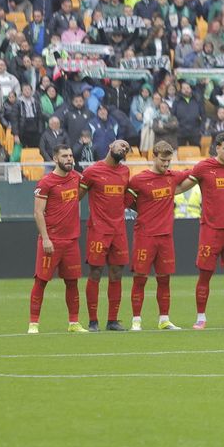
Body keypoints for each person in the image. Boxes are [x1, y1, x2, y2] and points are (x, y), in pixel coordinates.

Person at [177, 133, 224, 330]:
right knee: (205, 275)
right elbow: (181, 187)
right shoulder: (203, 167)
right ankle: (201, 318)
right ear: (217, 148)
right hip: (210, 230)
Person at [124, 142, 183, 331]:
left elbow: (194, 175)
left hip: (165, 237)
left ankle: (164, 319)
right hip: (145, 236)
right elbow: (127, 201)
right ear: (154, 157)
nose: (166, 164)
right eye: (163, 160)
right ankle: (136, 321)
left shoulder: (172, 177)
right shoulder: (138, 180)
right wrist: (143, 209)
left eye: (169, 161)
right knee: (140, 278)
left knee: (164, 279)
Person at [29, 147, 86, 334]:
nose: (69, 159)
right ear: (55, 158)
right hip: (51, 241)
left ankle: (74, 323)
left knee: (72, 282)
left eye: (71, 156)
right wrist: (45, 238)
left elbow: (85, 191)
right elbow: (38, 212)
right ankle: (33, 324)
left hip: (71, 242)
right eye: (65, 156)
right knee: (41, 282)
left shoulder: (77, 177)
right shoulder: (46, 183)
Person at [80, 138, 133, 331]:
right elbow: (76, 197)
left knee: (117, 273)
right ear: (110, 146)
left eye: (126, 148)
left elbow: (126, 197)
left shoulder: (125, 172)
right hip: (98, 231)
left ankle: (112, 320)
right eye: (121, 145)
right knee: (95, 272)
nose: (124, 148)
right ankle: (93, 321)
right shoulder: (92, 171)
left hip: (118, 231)